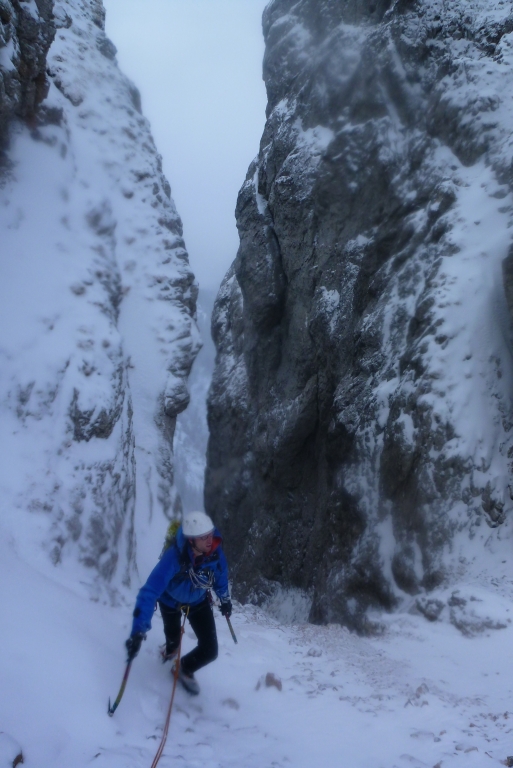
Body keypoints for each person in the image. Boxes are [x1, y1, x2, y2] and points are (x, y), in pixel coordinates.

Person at [125, 511, 232, 695]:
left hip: (198, 600)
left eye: (210, 534)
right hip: (170, 601)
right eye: (203, 537)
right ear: (191, 540)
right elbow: (150, 591)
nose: (209, 540)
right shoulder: (174, 557)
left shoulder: (215, 552)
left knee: (210, 650)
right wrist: (138, 630)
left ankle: (184, 668)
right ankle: (170, 650)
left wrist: (225, 600)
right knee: (173, 641)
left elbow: (220, 576)